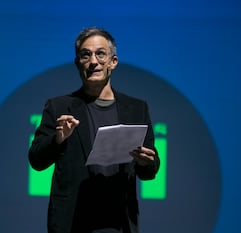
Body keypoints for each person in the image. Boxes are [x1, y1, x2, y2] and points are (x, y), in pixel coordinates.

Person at [28, 26, 160, 233]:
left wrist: (147, 162)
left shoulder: (136, 108)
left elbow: (150, 168)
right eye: (85, 55)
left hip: (119, 221)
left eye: (100, 54)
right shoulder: (59, 107)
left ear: (113, 62)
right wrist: (58, 139)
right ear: (77, 63)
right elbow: (36, 159)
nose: (93, 62)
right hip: (72, 220)